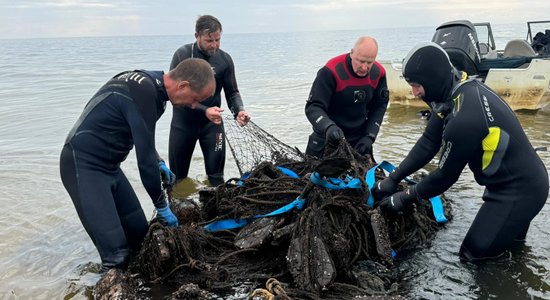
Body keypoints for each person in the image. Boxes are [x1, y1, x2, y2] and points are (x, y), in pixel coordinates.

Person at [371, 42, 548, 261]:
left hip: (518, 193)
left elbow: (445, 177)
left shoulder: (464, 118)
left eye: (416, 85)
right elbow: (428, 142)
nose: (414, 92)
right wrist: (394, 178)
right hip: (519, 183)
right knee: (511, 251)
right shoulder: (455, 91)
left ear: (432, 78)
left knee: (472, 256)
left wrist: (404, 197)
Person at [60, 58, 215, 271]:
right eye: (195, 99)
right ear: (183, 86)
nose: (193, 105)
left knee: (140, 239)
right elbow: (144, 164)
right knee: (117, 256)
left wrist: (158, 161)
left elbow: (143, 139)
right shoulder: (144, 92)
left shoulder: (154, 88)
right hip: (83, 166)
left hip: (111, 168)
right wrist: (161, 205)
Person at [168, 15, 250, 187]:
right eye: (209, 40)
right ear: (196, 36)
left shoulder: (225, 60)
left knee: (216, 180)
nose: (214, 45)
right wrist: (203, 110)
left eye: (217, 40)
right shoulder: (182, 55)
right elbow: (174, 96)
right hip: (183, 125)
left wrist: (239, 111)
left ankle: (213, 212)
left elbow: (232, 92)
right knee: (177, 181)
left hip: (212, 126)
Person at [305, 36, 389, 158]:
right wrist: (329, 127)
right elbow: (313, 108)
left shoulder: (378, 73)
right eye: (360, 61)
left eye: (369, 62)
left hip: (359, 142)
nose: (364, 67)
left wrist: (370, 135)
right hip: (326, 138)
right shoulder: (331, 70)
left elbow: (379, 106)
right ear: (351, 53)